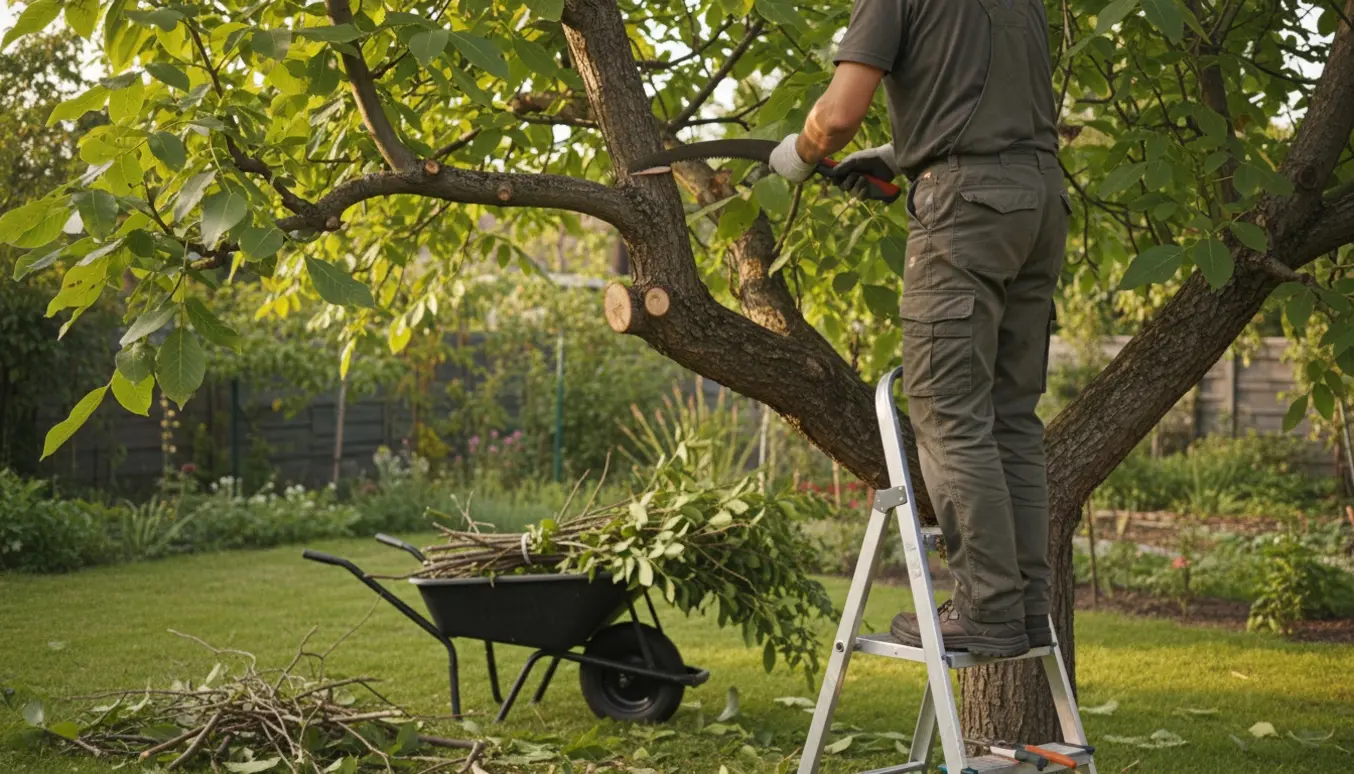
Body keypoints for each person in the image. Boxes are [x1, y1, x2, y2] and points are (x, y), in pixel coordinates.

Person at [767, 0, 1070, 658]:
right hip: (1040, 200)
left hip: (967, 208)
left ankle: (988, 609)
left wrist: (800, 151)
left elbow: (838, 114)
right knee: (1011, 414)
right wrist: (901, 153)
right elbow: (985, 105)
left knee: (949, 411)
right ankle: (1023, 604)